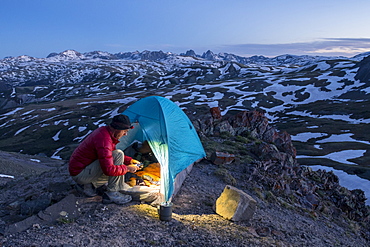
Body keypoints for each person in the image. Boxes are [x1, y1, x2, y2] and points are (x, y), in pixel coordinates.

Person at [68, 114, 142, 205]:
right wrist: (127, 168)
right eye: (124, 131)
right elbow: (108, 170)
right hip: (80, 173)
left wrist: (130, 161)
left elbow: (109, 154)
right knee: (118, 155)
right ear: (117, 129)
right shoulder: (104, 140)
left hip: (82, 169)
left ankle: (89, 185)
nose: (125, 134)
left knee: (117, 156)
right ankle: (112, 193)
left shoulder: (105, 132)